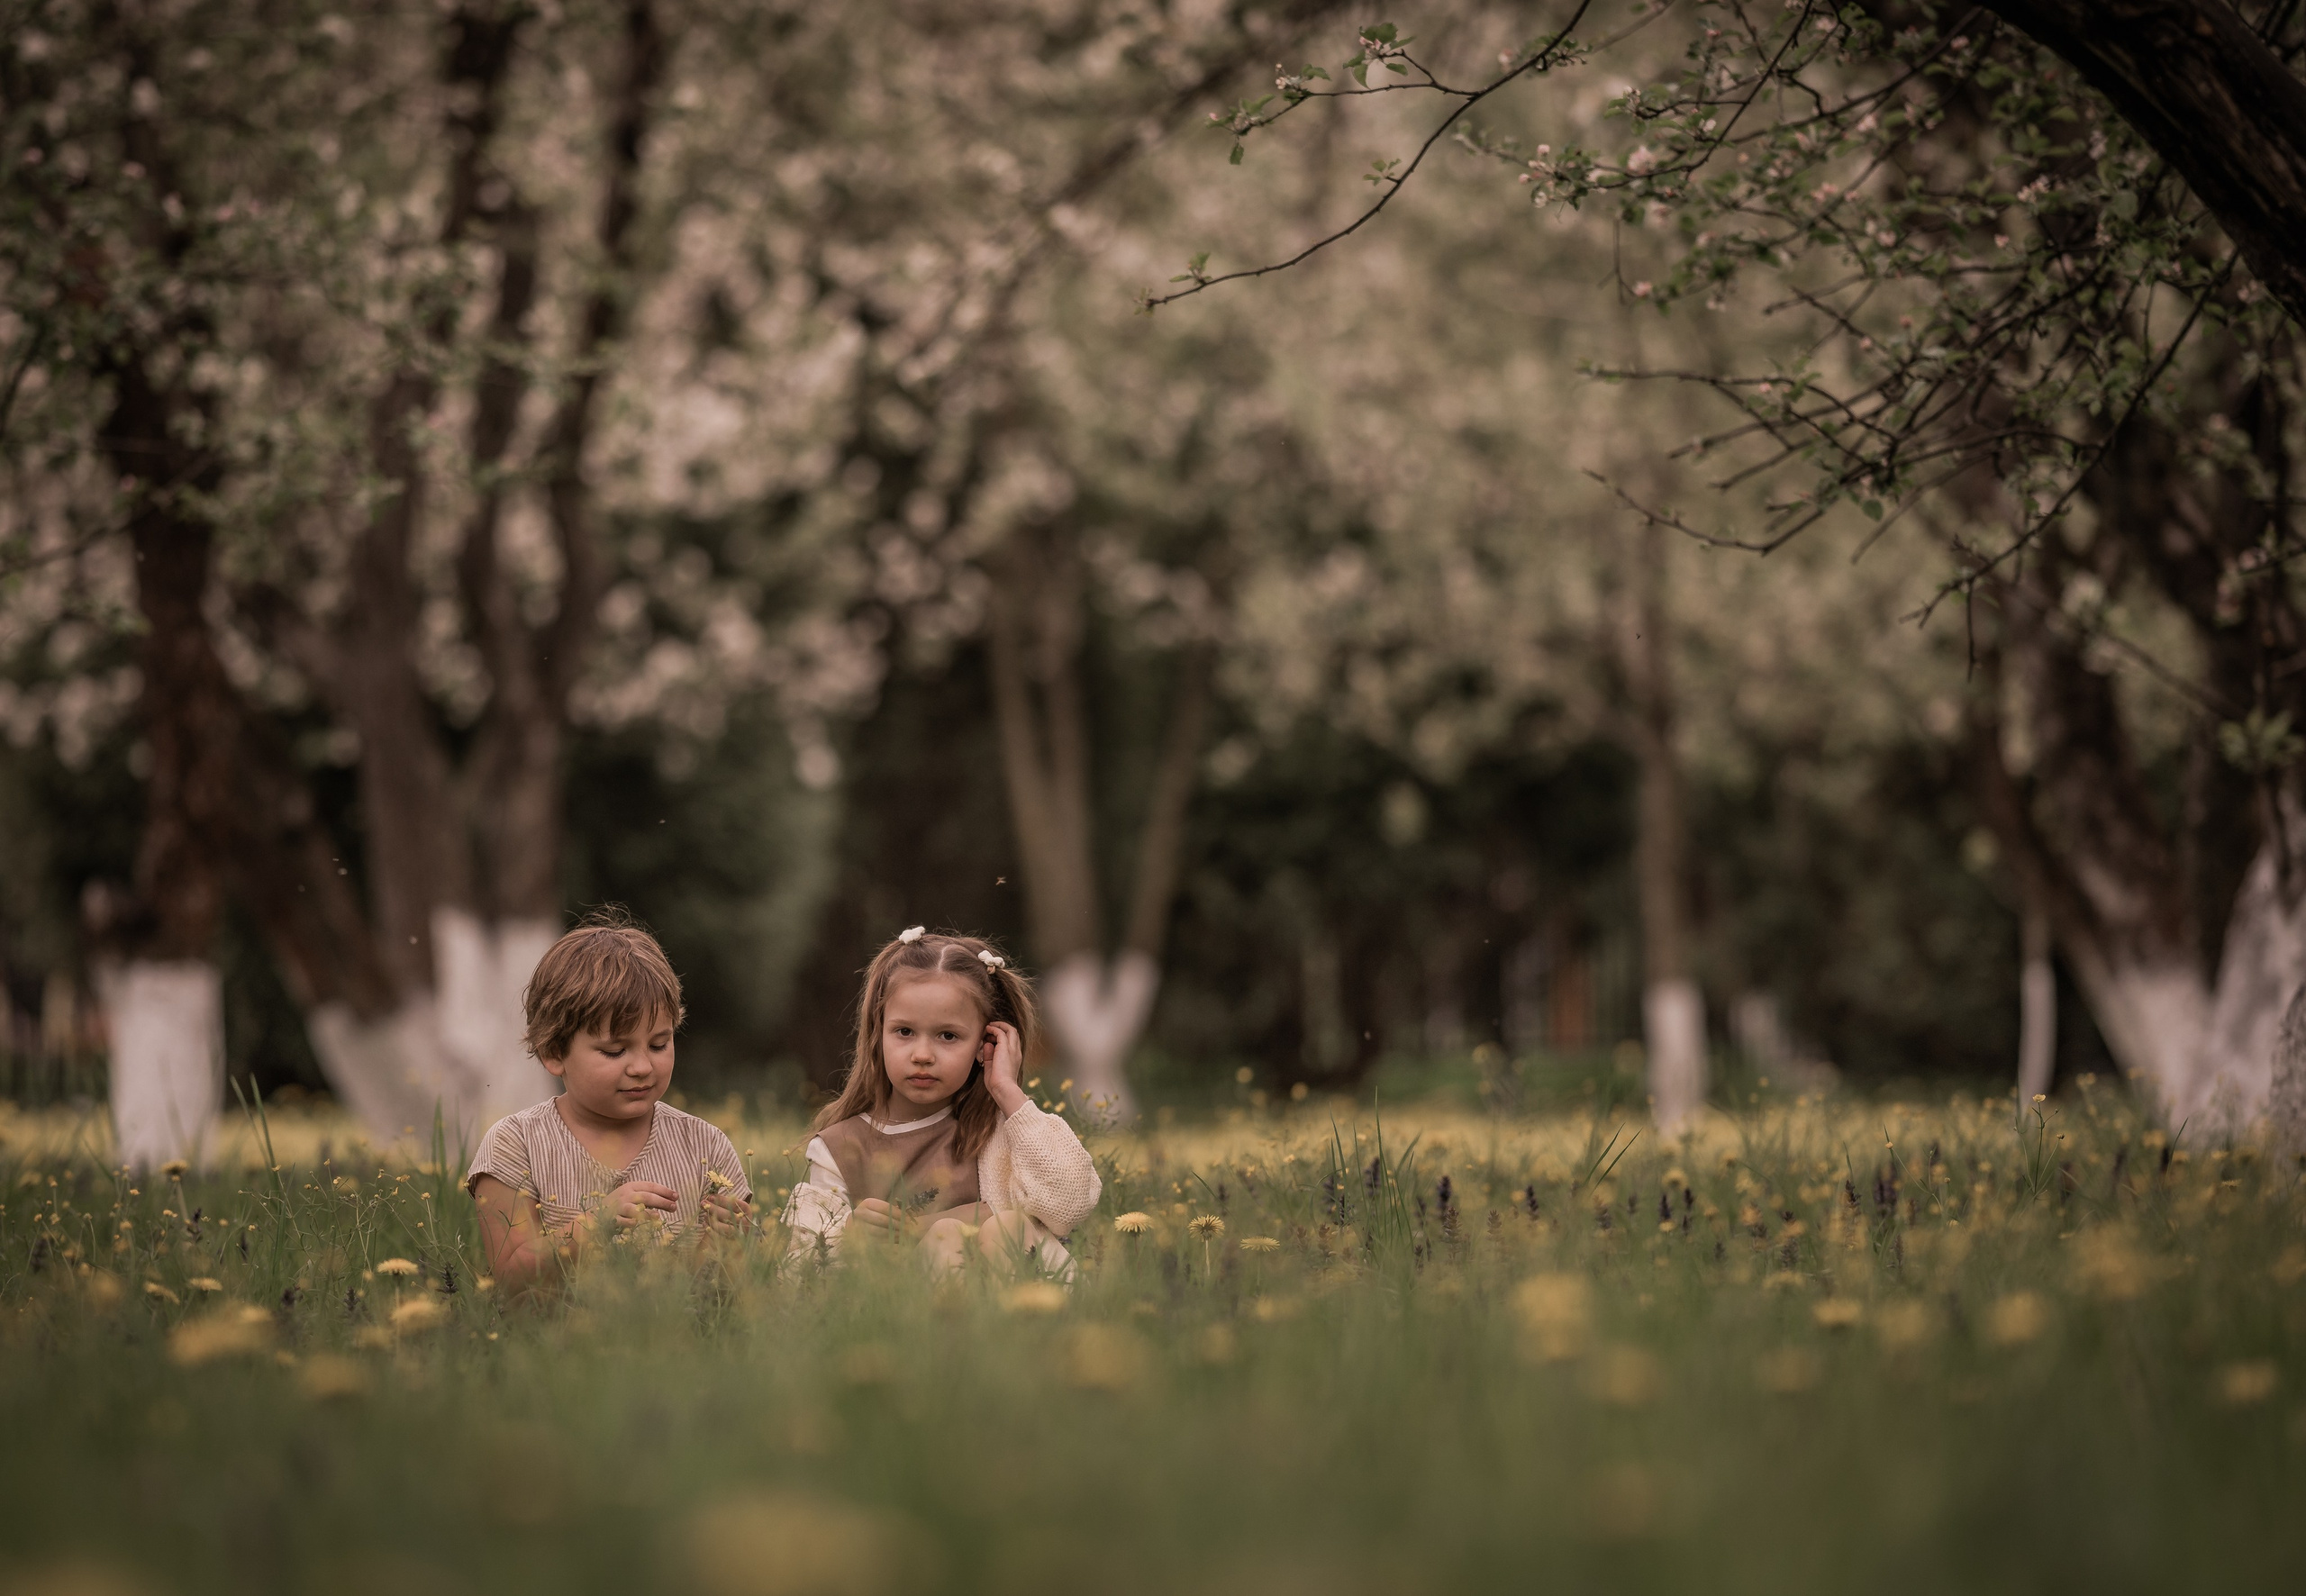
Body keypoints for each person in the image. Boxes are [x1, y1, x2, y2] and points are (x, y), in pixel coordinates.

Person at [783, 927, 1100, 1276]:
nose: (922, 1055)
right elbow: (799, 1275)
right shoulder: (840, 1149)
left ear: (984, 1044)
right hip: (908, 1317)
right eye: (904, 1032)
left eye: (948, 1036)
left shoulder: (995, 1131)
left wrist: (1008, 1092)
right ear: (878, 1033)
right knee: (947, 1237)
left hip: (1016, 1302)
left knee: (1008, 1227)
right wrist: (849, 1235)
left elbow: (1068, 1206)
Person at [465, 913, 754, 1295]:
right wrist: (594, 1226)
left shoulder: (706, 1146)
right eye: (615, 1050)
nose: (642, 1066)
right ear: (554, 1052)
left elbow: (722, 1294)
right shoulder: (516, 1145)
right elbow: (511, 1281)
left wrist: (726, 1241)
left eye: (659, 1044)